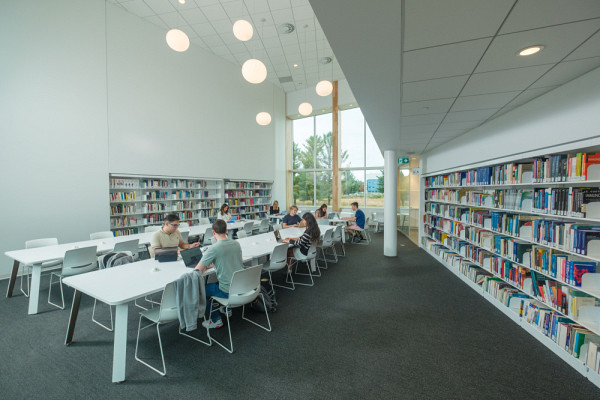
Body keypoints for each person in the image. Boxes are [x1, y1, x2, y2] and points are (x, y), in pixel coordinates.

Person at [194, 219, 244, 329]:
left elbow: (197, 270)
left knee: (199, 292)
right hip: (241, 287)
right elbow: (229, 260)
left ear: (213, 232)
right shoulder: (236, 243)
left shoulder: (213, 248)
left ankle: (216, 319)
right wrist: (214, 264)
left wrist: (206, 265)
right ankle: (228, 309)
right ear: (226, 230)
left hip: (227, 291)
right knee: (220, 280)